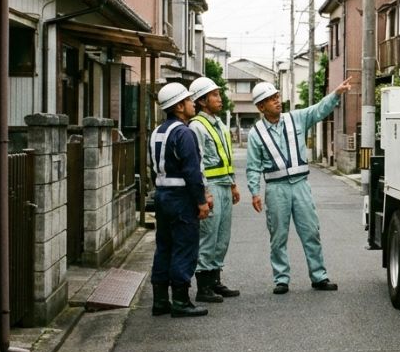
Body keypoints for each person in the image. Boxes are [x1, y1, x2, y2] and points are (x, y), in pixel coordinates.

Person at [247, 77, 353, 294]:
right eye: (270, 99)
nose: (277, 101)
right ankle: (281, 279)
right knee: (278, 235)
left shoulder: (295, 118)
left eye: (277, 96)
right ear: (261, 107)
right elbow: (252, 166)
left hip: (300, 185)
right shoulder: (255, 133)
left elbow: (317, 110)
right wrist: (254, 192)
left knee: (311, 231)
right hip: (276, 188)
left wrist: (336, 94)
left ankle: (319, 276)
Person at [149, 82, 210, 318]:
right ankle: (181, 301)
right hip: (182, 197)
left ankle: (161, 301)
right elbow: (193, 172)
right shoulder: (184, 133)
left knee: (164, 246)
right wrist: (201, 201)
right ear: (178, 106)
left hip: (162, 194)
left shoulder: (157, 132)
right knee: (184, 247)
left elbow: (152, 168)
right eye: (188, 100)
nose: (192, 103)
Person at [188, 77, 241, 303]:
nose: (220, 99)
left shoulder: (219, 123)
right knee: (208, 235)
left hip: (224, 185)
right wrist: (204, 192)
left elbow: (226, 157)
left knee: (222, 236)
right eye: (215, 95)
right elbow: (197, 163)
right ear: (201, 101)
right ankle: (203, 286)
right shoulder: (196, 126)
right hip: (210, 186)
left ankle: (215, 280)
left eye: (219, 94)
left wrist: (233, 184)